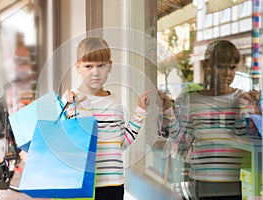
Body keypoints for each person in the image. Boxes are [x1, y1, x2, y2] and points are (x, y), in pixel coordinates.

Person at [159, 40, 260, 200]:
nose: (227, 73)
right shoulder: (191, 101)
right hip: (201, 182)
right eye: (220, 66)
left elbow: (250, 140)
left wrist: (253, 110)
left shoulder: (243, 99)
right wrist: (167, 111)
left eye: (232, 67)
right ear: (207, 65)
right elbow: (182, 144)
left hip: (236, 183)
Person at [62, 37, 151, 200]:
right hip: (83, 184)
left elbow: (121, 143)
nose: (95, 72)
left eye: (101, 66)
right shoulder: (70, 99)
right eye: (88, 66)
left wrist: (140, 112)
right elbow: (69, 143)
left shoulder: (115, 101)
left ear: (109, 66)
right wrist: (76, 105)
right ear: (78, 68)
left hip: (114, 184)